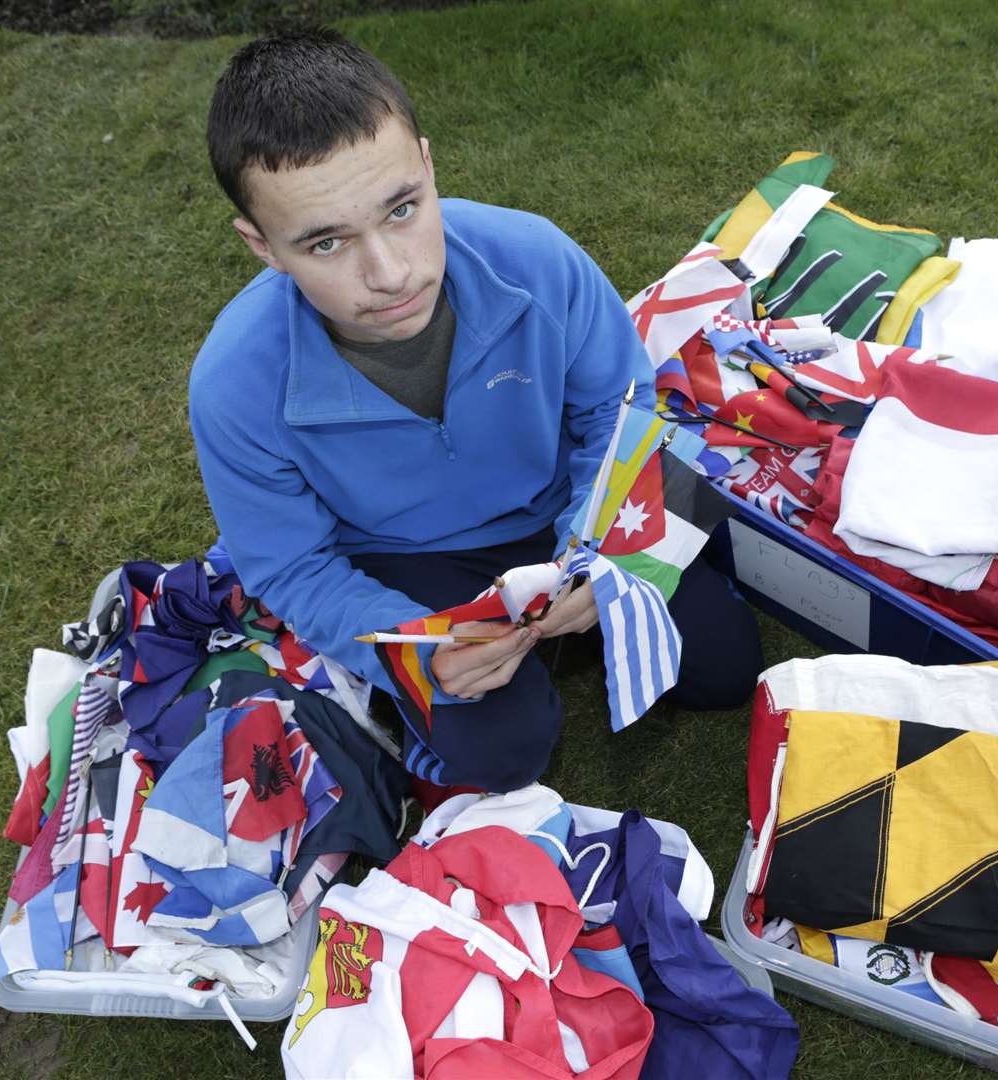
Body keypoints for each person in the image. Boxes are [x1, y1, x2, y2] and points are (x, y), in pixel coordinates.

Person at [190, 30, 761, 794]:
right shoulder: (233, 383)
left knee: (727, 667)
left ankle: (581, 617)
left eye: (402, 209)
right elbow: (291, 566)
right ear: (261, 246)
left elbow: (620, 414)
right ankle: (437, 706)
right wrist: (415, 651)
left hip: (566, 501)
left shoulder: (538, 259)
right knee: (502, 754)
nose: (389, 274)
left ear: (428, 164)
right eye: (326, 243)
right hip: (407, 558)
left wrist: (599, 555)